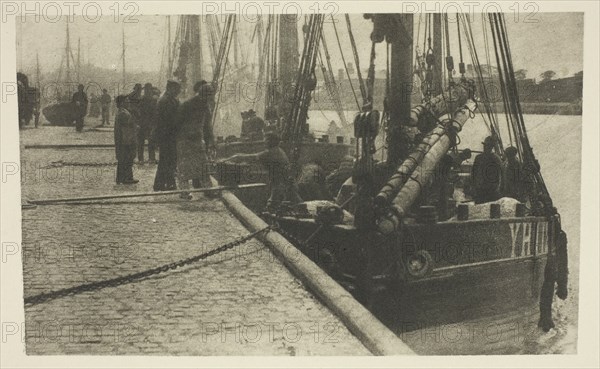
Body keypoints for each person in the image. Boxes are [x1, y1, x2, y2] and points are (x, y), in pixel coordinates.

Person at [221, 132, 302, 211]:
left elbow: (252, 157)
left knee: (272, 206)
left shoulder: (270, 153)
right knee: (297, 202)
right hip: (287, 182)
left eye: (266, 140)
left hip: (281, 183)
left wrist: (234, 157)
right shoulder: (278, 150)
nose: (264, 142)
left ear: (271, 142)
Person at [175, 81, 216, 199]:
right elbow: (177, 123)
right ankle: (184, 191)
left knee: (203, 165)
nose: (209, 98)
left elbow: (208, 126)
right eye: (208, 95)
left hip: (198, 140)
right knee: (184, 167)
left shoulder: (206, 106)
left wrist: (211, 140)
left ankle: (208, 190)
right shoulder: (187, 105)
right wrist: (185, 133)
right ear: (203, 94)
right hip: (185, 140)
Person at [153, 80, 181, 191]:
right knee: (168, 159)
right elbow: (170, 120)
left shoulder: (167, 99)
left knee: (167, 160)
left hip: (167, 134)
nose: (179, 91)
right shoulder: (166, 101)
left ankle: (164, 183)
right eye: (177, 88)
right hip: (167, 135)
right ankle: (166, 183)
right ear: (171, 88)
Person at [114, 95, 138, 184]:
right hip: (126, 140)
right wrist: (130, 141)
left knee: (122, 159)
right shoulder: (124, 113)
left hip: (121, 139)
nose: (128, 102)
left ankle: (121, 178)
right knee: (127, 158)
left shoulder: (121, 112)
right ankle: (127, 178)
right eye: (126, 101)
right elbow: (127, 129)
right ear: (122, 103)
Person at [471, 136, 502, 204]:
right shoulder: (478, 158)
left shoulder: (496, 159)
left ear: (492, 147)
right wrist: (474, 186)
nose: (485, 148)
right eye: (485, 146)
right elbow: (473, 173)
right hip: (480, 189)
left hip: (491, 190)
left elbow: (500, 175)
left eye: (488, 146)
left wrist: (497, 188)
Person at [138, 83, 158, 163]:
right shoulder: (143, 100)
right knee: (142, 142)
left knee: (150, 141)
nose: (147, 91)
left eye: (148, 89)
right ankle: (143, 159)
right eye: (146, 89)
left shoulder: (153, 100)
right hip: (144, 123)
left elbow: (156, 112)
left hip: (148, 123)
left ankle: (149, 158)